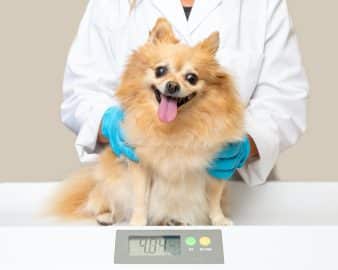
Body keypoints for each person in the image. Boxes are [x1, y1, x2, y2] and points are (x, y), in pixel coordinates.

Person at [61, 0, 309, 186]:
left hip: (229, 192)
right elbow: (82, 90)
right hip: (135, 189)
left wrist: (246, 144)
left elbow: (284, 99)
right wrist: (111, 124)